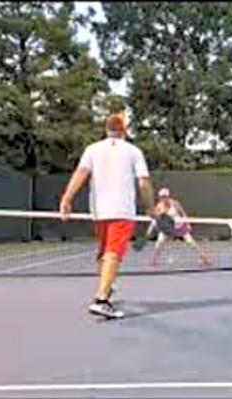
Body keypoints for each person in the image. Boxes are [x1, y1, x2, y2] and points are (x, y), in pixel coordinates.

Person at [59, 110, 155, 319]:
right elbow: (144, 182)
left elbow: (80, 174)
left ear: (106, 129)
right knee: (113, 253)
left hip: (99, 211)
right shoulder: (134, 151)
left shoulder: (92, 149)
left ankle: (106, 289)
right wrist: (150, 206)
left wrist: (67, 199)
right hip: (122, 211)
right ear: (124, 130)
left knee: (105, 254)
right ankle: (101, 299)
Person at [147, 188, 211, 268]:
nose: (164, 198)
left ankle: (204, 258)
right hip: (167, 228)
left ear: (168, 196)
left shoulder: (175, 204)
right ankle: (154, 259)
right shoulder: (159, 207)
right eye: (162, 197)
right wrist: (151, 228)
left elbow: (183, 213)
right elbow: (155, 219)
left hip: (180, 226)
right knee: (159, 243)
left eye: (165, 196)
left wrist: (187, 223)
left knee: (191, 242)